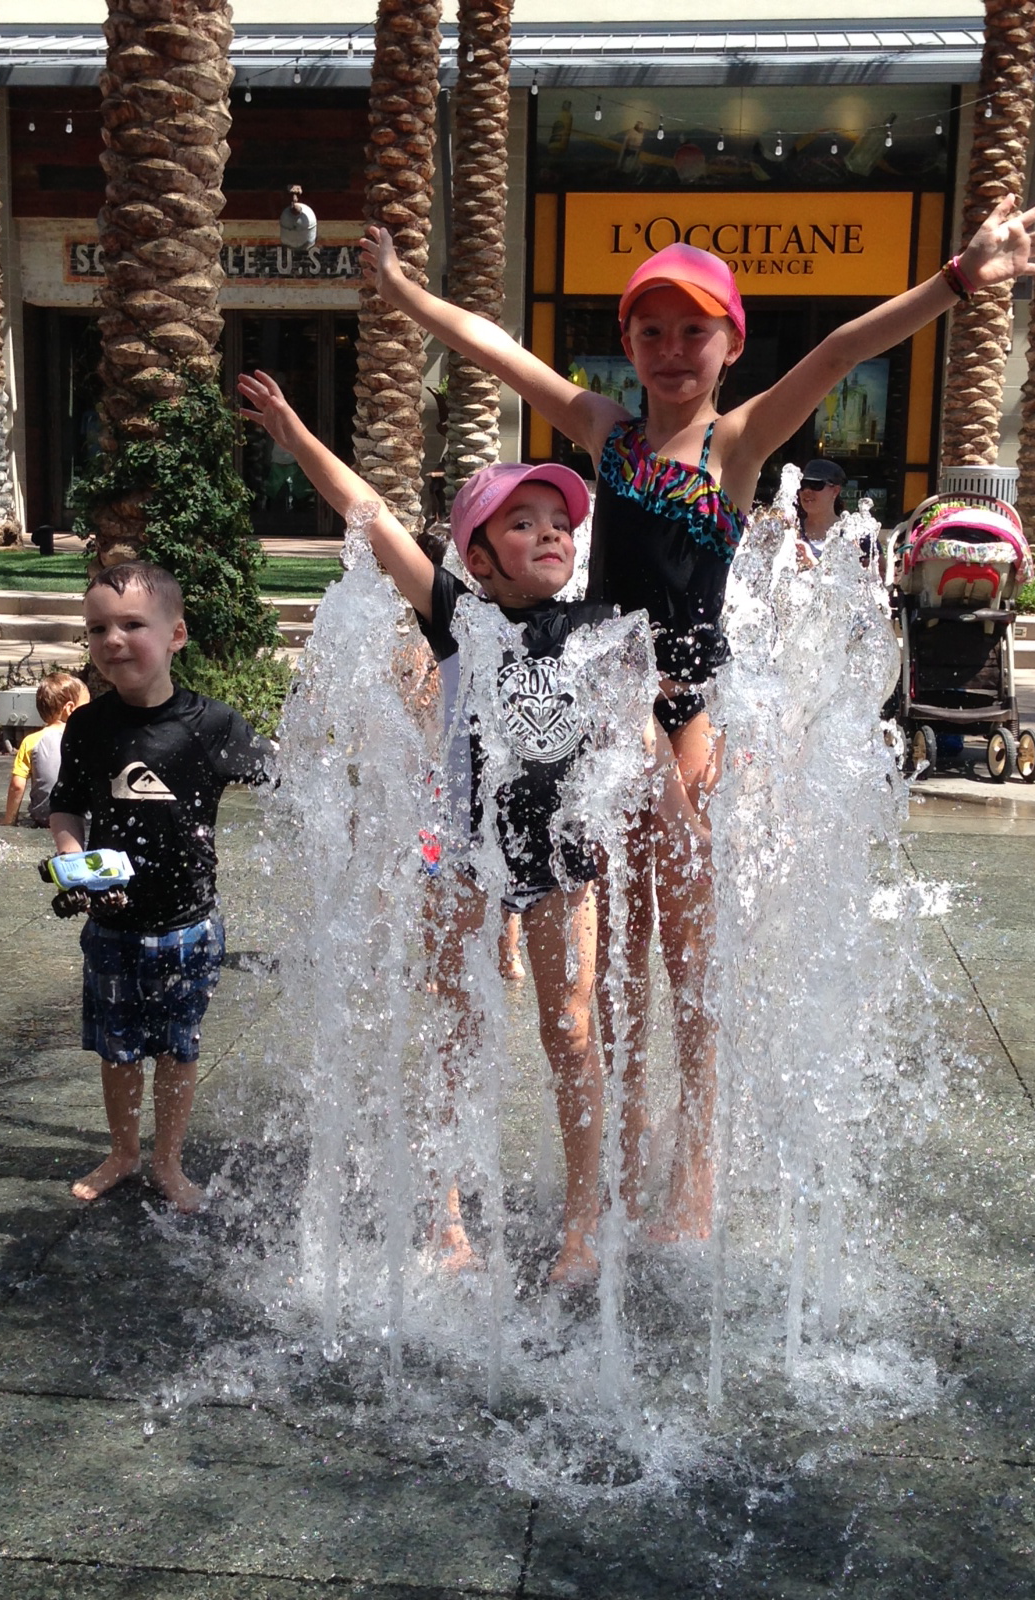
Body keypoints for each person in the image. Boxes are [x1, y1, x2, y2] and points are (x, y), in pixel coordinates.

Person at [360, 193, 1035, 1240]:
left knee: (685, 955)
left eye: (695, 329)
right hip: (604, 719)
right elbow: (499, 350)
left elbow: (836, 352)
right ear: (627, 346)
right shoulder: (604, 432)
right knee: (614, 960)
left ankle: (695, 1161)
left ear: (730, 343)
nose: (671, 348)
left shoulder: (732, 449)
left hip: (689, 721)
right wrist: (402, 292)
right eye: (652, 329)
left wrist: (960, 282)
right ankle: (627, 1139)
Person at [238, 368, 657, 1286]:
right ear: (478, 554)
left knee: (571, 1031)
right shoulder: (456, 620)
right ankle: (445, 1222)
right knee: (457, 1032)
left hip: (562, 858)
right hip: (462, 856)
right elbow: (372, 514)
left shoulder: (594, 624)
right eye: (522, 522)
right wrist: (294, 432)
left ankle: (584, 1223)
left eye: (558, 523)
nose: (548, 534)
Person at [47, 563, 272, 1213]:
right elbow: (65, 807)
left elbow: (286, 779)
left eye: (132, 625)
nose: (112, 639)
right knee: (117, 1051)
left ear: (176, 634)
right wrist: (73, 860)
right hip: (113, 923)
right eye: (98, 629)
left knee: (176, 1052)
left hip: (188, 926)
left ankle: (167, 1162)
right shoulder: (89, 727)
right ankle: (124, 1152)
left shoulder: (213, 726)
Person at [0, 671, 89, 827]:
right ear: (70, 709)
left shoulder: (31, 741)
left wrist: (9, 819)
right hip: (82, 816)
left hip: (45, 817)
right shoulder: (86, 738)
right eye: (87, 707)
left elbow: (17, 785)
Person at [796, 458, 848, 565]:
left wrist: (811, 562)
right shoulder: (790, 531)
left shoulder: (856, 533)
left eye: (815, 485)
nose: (806, 491)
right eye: (802, 484)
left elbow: (879, 575)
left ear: (835, 490)